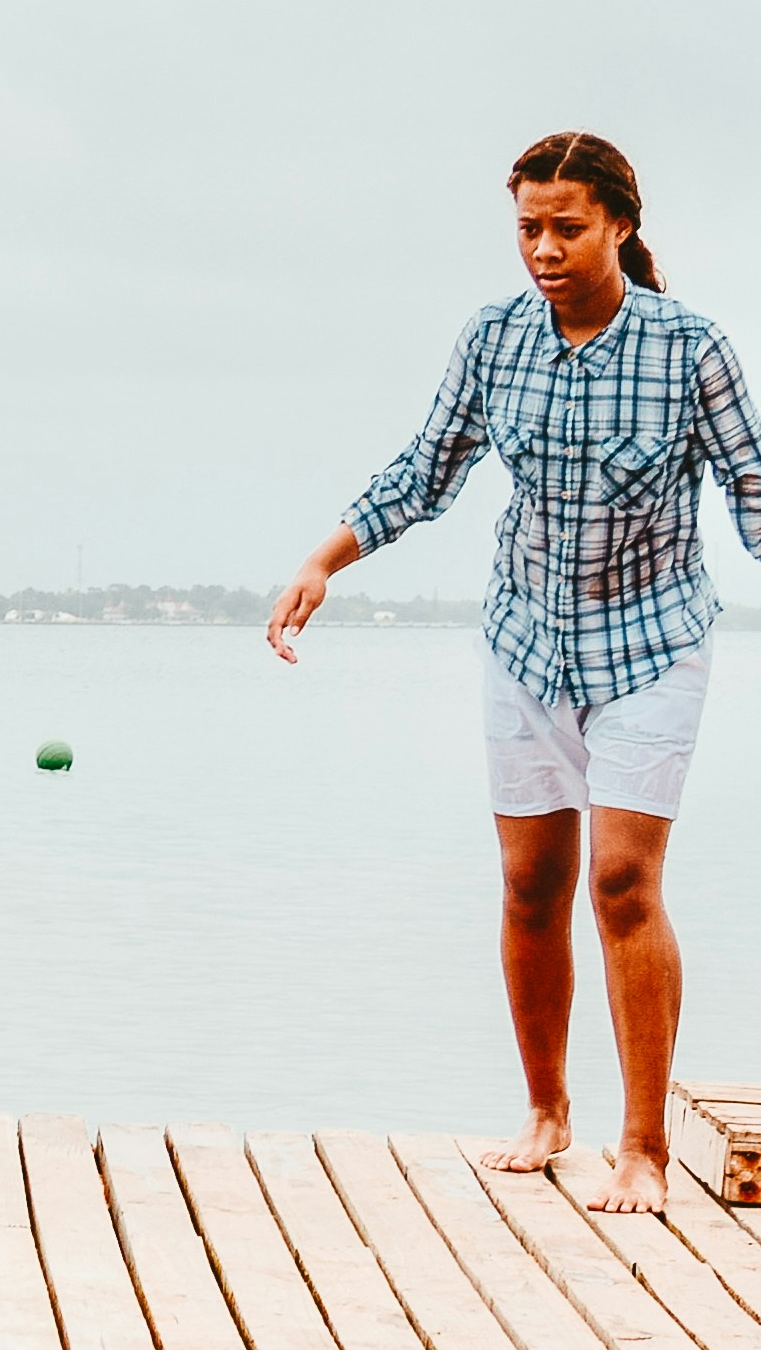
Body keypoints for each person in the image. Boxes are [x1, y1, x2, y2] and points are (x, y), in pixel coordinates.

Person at [268, 130, 761, 1214]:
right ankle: (547, 1113)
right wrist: (325, 558)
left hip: (652, 645)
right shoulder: (495, 341)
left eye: (566, 227)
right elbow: (426, 468)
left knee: (623, 884)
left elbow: (753, 488)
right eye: (529, 228)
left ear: (621, 227)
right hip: (528, 645)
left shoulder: (691, 347)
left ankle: (643, 1148)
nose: (543, 248)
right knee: (531, 886)